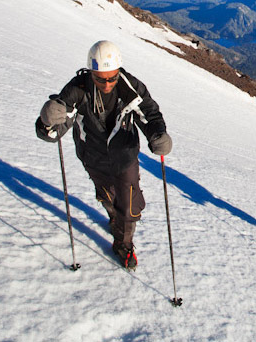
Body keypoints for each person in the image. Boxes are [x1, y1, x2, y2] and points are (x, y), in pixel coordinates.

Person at [35, 40, 172, 270]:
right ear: (91, 72)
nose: (107, 84)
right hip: (93, 155)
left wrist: (157, 134)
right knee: (108, 195)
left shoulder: (129, 86)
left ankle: (124, 245)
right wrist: (46, 122)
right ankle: (114, 217)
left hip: (125, 154)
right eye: (100, 79)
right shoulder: (77, 89)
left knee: (129, 204)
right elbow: (55, 129)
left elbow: (148, 111)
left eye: (112, 78)